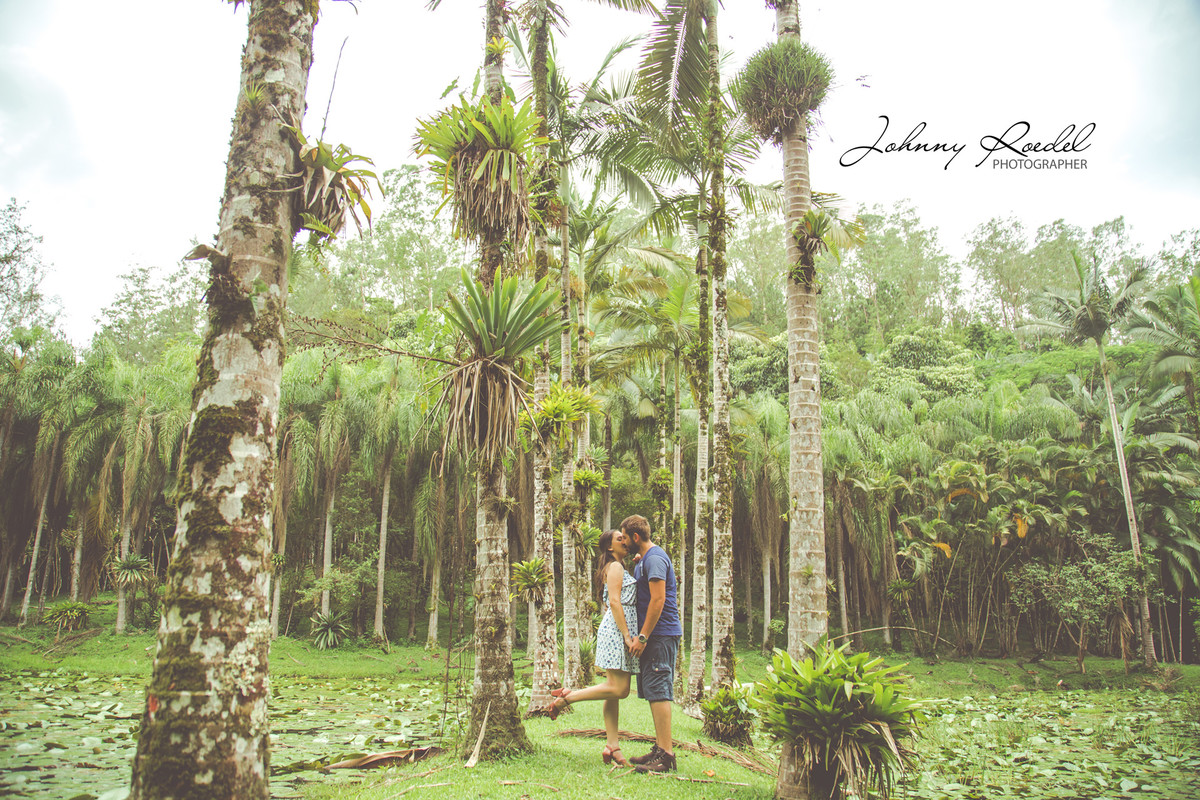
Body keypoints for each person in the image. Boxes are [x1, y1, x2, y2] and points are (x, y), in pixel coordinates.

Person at [544, 529, 638, 766]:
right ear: (610, 547)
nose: (624, 541)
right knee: (620, 690)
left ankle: (612, 746)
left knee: (612, 691)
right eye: (619, 539)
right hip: (617, 631)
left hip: (616, 628)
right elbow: (615, 601)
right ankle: (567, 698)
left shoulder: (618, 566)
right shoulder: (615, 567)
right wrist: (627, 635)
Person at [622, 513, 681, 773]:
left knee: (659, 691)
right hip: (654, 635)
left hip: (659, 635)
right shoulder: (646, 559)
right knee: (653, 691)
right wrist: (640, 563)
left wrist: (643, 637)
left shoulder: (655, 558)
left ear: (636, 537)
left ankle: (667, 756)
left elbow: (658, 599)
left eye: (625, 538)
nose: (623, 543)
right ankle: (660, 748)